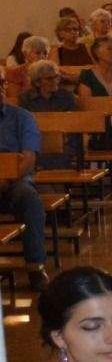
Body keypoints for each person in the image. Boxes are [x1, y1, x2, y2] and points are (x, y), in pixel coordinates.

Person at [0, 79, 49, 288]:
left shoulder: (21, 117)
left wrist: (6, 178)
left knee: (29, 199)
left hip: (15, 181)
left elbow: (29, 158)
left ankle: (35, 266)